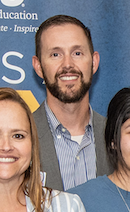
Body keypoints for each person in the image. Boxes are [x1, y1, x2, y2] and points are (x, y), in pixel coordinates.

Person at [31, 14, 109, 191]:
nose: (68, 64)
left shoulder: (117, 138)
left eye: (77, 53)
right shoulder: (19, 138)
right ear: (38, 66)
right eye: (55, 54)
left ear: (94, 62)